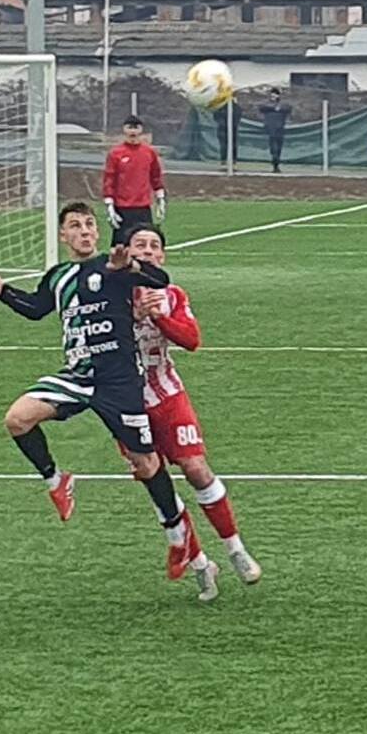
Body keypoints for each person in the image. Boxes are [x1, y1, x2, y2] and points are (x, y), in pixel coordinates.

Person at [0, 202, 213, 599]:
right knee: (17, 419)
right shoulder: (59, 276)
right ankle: (57, 480)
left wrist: (131, 267)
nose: (85, 231)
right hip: (78, 376)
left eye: (89, 224)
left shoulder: (114, 267)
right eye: (76, 226)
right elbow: (37, 310)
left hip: (120, 382)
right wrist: (3, 292)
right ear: (63, 236)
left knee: (146, 464)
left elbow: (161, 277)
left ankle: (182, 541)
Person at [122, 225, 263, 594]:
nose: (148, 251)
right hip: (125, 404)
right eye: (141, 245)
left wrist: (157, 317)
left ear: (163, 257)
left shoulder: (172, 295)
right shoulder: (111, 296)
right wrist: (132, 316)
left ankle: (236, 549)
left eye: (155, 246)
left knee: (196, 468)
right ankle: (200, 562)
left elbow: (192, 340)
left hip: (168, 395)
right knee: (156, 483)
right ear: (126, 251)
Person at [102, 116, 166, 245]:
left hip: (143, 207)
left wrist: (160, 198)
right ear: (124, 130)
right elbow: (109, 178)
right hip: (122, 207)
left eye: (136, 128)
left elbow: (155, 176)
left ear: (141, 130)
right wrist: (109, 204)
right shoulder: (116, 153)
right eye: (129, 127)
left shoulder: (149, 152)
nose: (133, 131)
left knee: (143, 243)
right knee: (121, 246)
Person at [259, 93, 292, 174]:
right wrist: (274, 108)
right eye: (272, 96)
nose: (274, 97)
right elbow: (262, 108)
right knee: (273, 147)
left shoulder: (283, 105)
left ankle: (276, 163)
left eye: (275, 95)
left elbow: (288, 109)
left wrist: (278, 108)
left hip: (280, 129)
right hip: (270, 129)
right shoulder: (266, 105)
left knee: (279, 147)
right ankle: (275, 162)